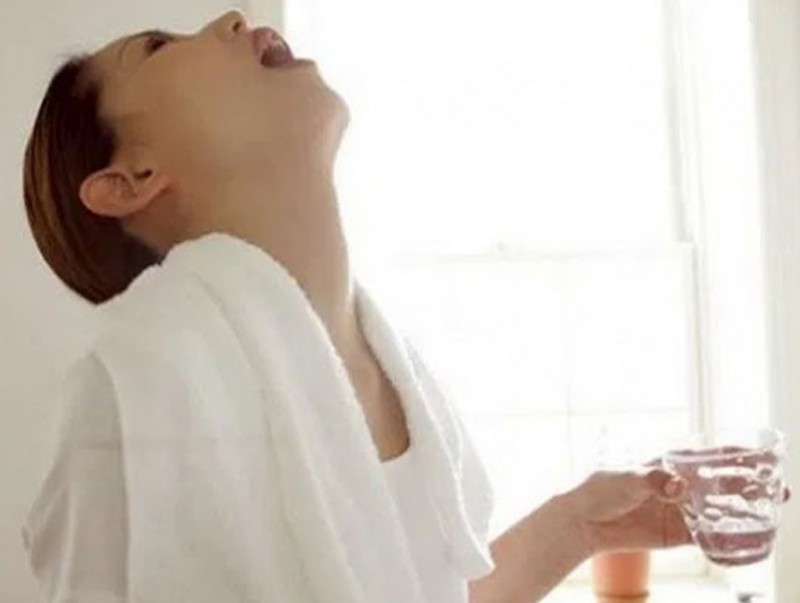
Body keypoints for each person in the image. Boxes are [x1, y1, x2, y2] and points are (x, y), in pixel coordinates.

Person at [20, 8, 790, 603]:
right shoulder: (135, 389)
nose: (228, 19)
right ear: (130, 180)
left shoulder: (392, 366)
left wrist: (579, 524)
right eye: (158, 47)